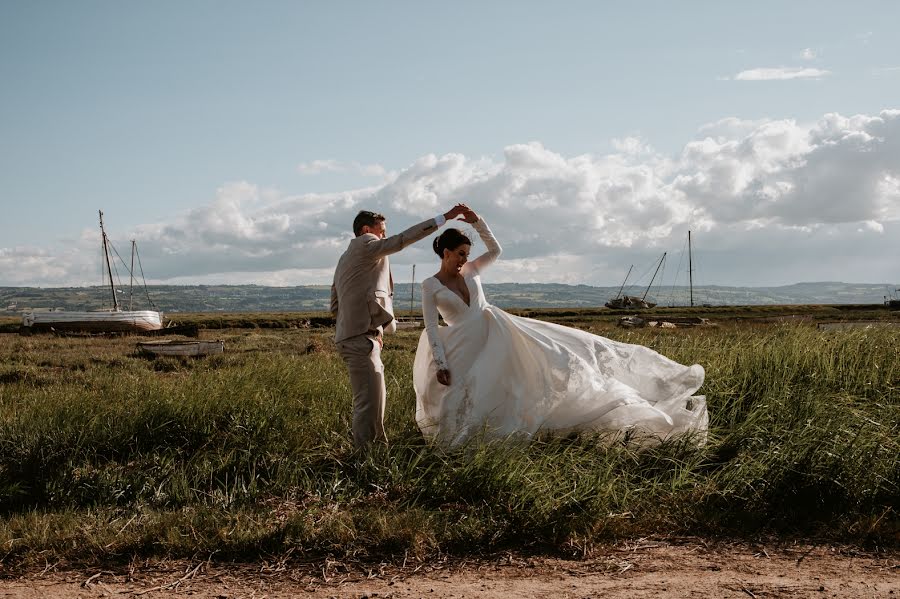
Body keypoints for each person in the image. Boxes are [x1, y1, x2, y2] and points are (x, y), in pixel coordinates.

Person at [413, 207, 708, 448]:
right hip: (462, 345)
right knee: (461, 396)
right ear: (446, 253)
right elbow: (430, 326)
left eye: (467, 253)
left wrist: (478, 221)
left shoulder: (472, 270)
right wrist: (440, 361)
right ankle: (462, 442)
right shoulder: (431, 285)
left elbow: (496, 249)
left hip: (497, 334)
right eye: (461, 253)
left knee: (525, 377)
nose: (465, 259)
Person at [332, 205, 468, 448]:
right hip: (360, 339)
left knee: (374, 401)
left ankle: (375, 453)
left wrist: (372, 329)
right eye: (381, 231)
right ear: (366, 230)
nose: (384, 237)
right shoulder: (366, 246)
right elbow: (403, 239)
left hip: (359, 336)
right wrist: (444, 218)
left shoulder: (346, 258)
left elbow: (335, 303)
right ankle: (365, 459)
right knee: (368, 404)